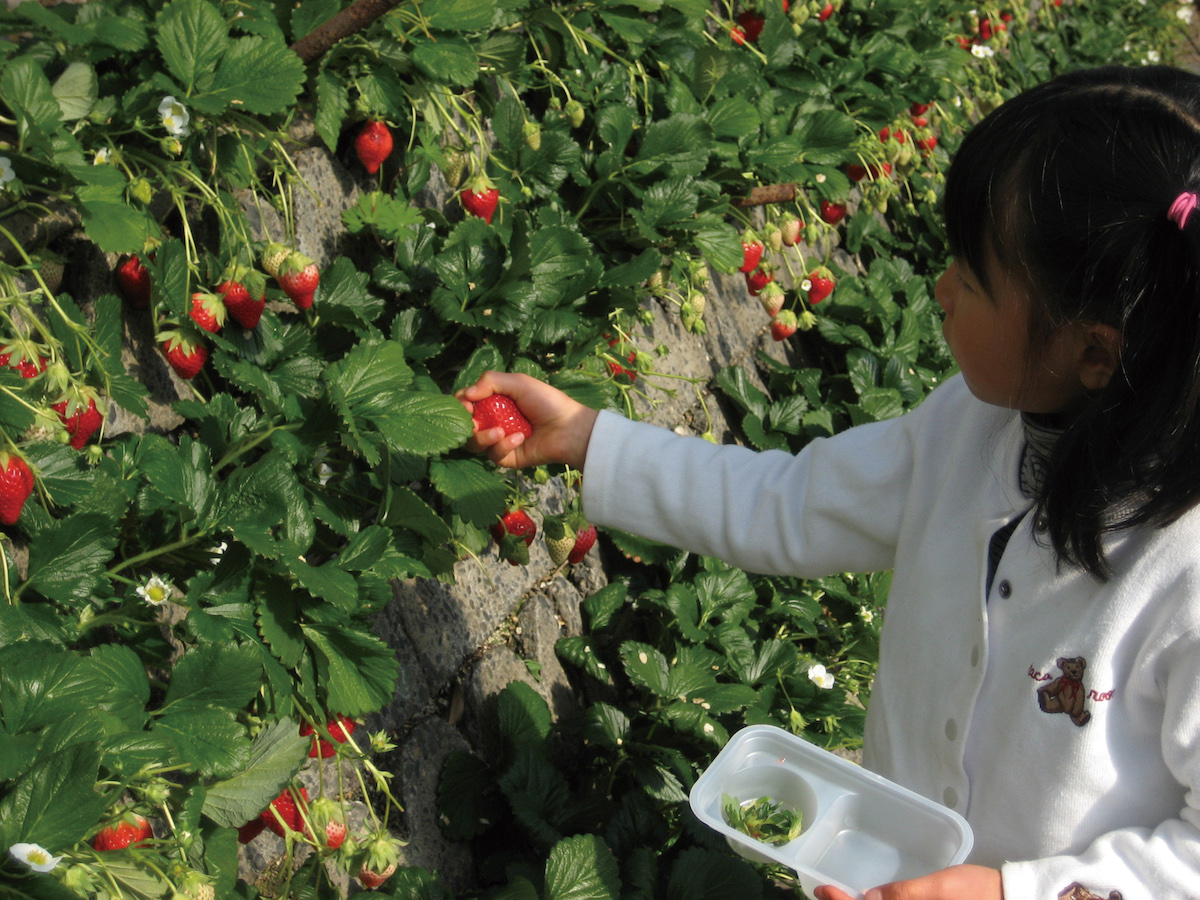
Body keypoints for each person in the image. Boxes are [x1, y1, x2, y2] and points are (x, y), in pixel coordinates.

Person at [458, 65, 1200, 900]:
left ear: (1093, 352)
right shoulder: (969, 426)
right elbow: (791, 506)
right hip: (878, 864)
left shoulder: (1185, 573)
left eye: (973, 275)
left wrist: (1008, 891)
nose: (941, 287)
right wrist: (594, 440)